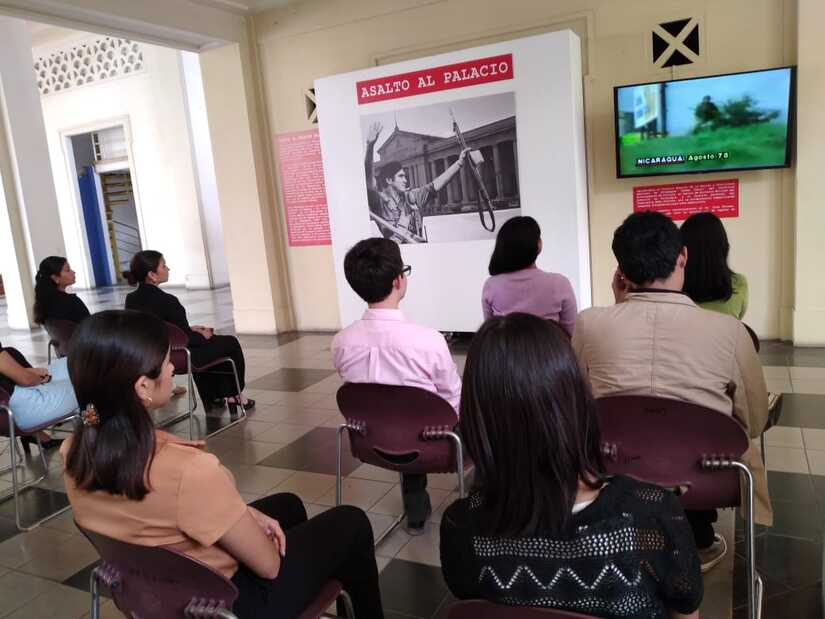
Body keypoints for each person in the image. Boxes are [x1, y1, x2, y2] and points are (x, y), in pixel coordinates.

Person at [61, 310, 384, 619]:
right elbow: (269, 566)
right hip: (223, 606)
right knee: (351, 522)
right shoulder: (188, 470)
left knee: (288, 505)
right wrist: (246, 524)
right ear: (143, 386)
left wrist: (243, 514)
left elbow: (159, 515)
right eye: (166, 361)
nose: (173, 368)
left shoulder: (73, 451)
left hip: (153, 592)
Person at [440, 314, 702, 618]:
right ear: (576, 402)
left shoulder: (462, 527)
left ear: (476, 421)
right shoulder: (652, 516)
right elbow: (686, 610)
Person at [571, 211, 771, 573]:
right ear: (683, 257)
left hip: (614, 467)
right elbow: (755, 421)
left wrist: (620, 308)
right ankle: (695, 539)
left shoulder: (588, 324)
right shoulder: (730, 331)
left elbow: (577, 405)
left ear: (621, 270)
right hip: (709, 477)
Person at [332, 238, 461, 534]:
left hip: (368, 442)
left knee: (399, 416)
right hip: (434, 444)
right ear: (398, 280)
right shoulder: (428, 340)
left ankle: (416, 512)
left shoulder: (341, 342)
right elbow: (454, 399)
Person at [124, 251, 251, 411]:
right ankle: (234, 395)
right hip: (176, 358)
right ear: (152, 275)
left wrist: (189, 331)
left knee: (208, 345)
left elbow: (159, 328)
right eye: (164, 266)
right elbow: (188, 340)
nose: (168, 269)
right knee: (229, 343)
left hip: (148, 356)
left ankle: (213, 398)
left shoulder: (131, 299)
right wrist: (203, 334)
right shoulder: (168, 301)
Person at [364, 121, 470, 243]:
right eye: (401, 176)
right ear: (389, 180)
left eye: (405, 176)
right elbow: (368, 181)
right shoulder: (380, 202)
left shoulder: (412, 197)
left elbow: (435, 185)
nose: (405, 180)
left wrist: (459, 163)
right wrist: (370, 147)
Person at [481, 216, 577, 334]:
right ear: (539, 245)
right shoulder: (560, 283)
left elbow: (489, 335)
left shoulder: (492, 285)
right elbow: (570, 333)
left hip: (505, 346)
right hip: (549, 346)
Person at [0, 342, 77, 451]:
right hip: (21, 405)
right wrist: (40, 378)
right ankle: (93, 439)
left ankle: (37, 436)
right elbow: (26, 380)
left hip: (16, 391)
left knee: (78, 362)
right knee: (88, 384)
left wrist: (28, 372)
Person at [680, 212, 748, 319]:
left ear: (683, 251)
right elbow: (738, 319)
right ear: (724, 247)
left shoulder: (674, 288)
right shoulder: (739, 283)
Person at [32, 256, 90, 326]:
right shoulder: (72, 302)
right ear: (55, 278)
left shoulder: (44, 304)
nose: (73, 272)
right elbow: (91, 327)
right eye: (68, 270)